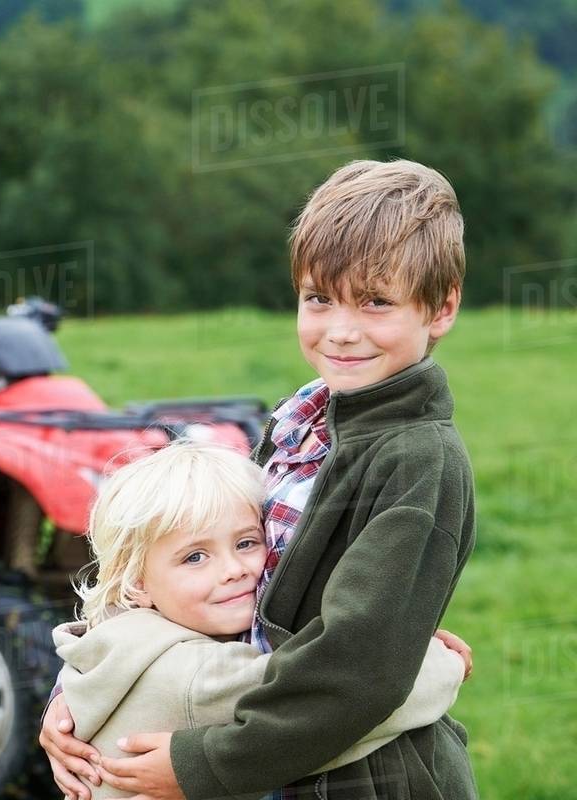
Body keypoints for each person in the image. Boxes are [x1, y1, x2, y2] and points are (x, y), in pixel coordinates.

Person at [41, 159, 480, 800]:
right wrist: (79, 695)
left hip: (363, 779)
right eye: (318, 299)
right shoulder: (303, 417)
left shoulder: (418, 460)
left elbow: (356, 671)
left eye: (377, 302)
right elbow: (185, 583)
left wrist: (204, 765)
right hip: (267, 754)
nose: (341, 330)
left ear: (440, 310)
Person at [53, 440, 466, 800]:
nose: (233, 569)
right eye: (195, 557)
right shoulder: (197, 675)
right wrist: (436, 659)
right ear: (138, 582)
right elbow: (338, 707)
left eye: (247, 542)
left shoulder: (115, 642)